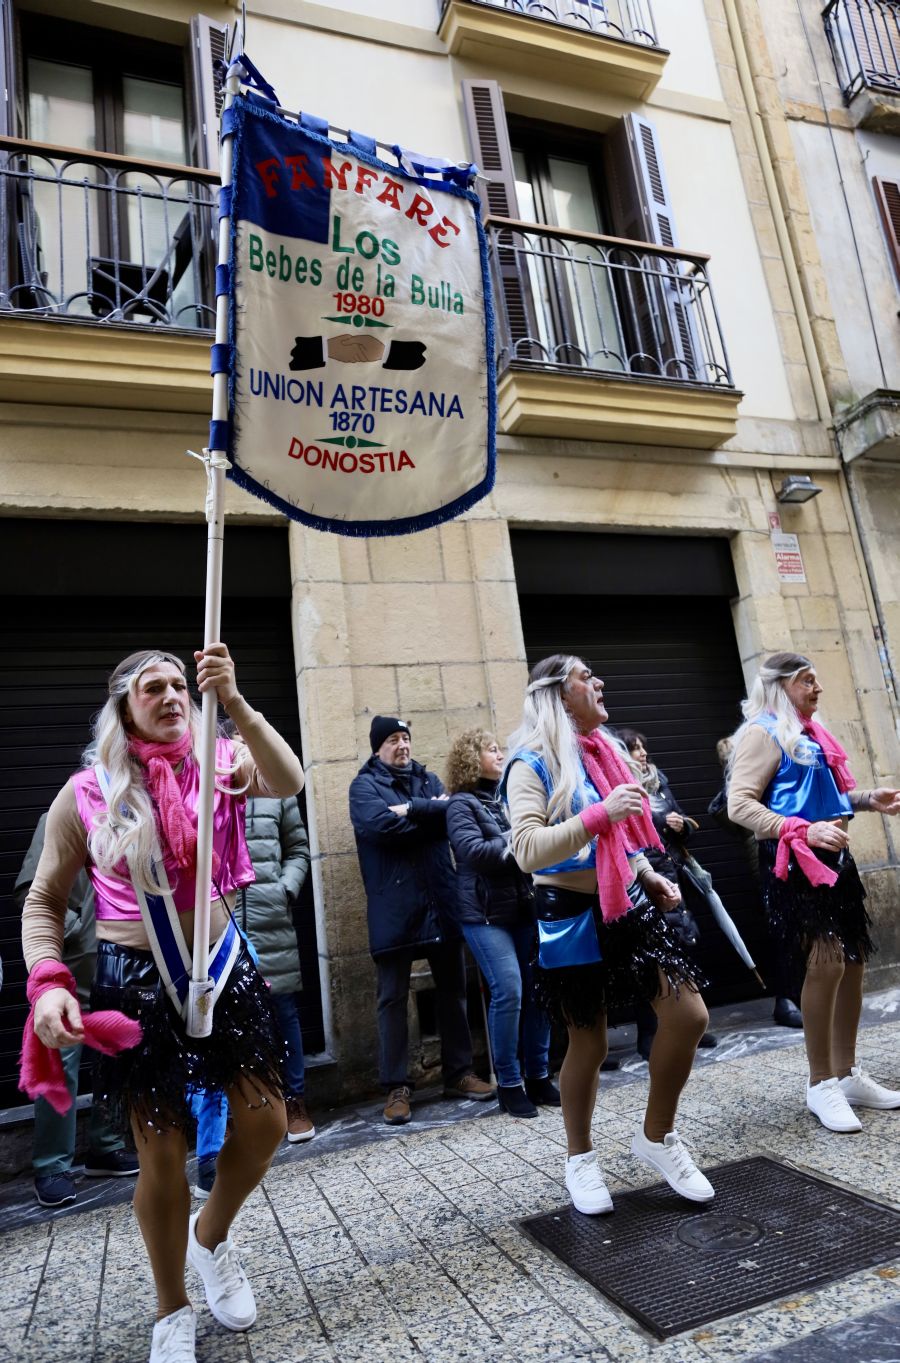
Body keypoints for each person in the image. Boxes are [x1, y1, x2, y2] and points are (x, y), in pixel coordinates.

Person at [21, 644, 304, 1363]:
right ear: (125, 706)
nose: (173, 694)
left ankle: (211, 1237)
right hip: (135, 981)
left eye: (181, 682)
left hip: (222, 967)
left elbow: (290, 778)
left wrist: (234, 701)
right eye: (155, 686)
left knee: (267, 1121)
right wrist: (50, 980)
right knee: (164, 1155)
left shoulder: (222, 761)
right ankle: (171, 1306)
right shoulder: (85, 792)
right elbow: (45, 900)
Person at [505, 656, 714, 1215]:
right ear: (557, 695)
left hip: (627, 900)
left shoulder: (603, 753)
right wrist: (597, 816)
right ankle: (580, 1158)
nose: (598, 683)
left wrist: (648, 874)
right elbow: (526, 851)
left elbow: (619, 841)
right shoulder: (530, 763)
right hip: (568, 911)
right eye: (585, 676)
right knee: (589, 1041)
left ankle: (656, 1136)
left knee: (689, 1015)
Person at [727, 652, 900, 1133]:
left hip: (836, 861)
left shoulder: (812, 732)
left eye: (816, 679)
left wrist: (868, 800)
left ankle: (847, 1074)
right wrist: (797, 830)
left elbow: (822, 796)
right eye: (807, 681)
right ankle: (820, 1083)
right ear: (781, 687)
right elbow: (740, 806)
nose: (818, 688)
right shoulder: (762, 733)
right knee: (825, 962)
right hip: (794, 866)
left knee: (855, 959)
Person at [349, 715, 495, 1125]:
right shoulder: (363, 787)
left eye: (406, 738)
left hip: (441, 900)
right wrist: (431, 818)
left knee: (453, 991)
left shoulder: (427, 780)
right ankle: (396, 1087)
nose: (403, 746)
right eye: (394, 739)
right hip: (394, 907)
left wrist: (416, 810)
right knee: (391, 999)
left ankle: (459, 1073)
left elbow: (452, 820)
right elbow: (381, 828)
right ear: (378, 747)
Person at [14, 813, 138, 1207]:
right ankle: (52, 1165)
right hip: (73, 968)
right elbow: (31, 889)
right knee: (59, 1066)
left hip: (123, 966)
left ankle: (106, 1146)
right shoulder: (59, 815)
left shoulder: (136, 819)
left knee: (117, 1060)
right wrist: (75, 928)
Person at [445, 728, 557, 1119]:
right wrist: (519, 837)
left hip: (524, 908)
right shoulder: (460, 805)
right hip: (484, 914)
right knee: (508, 990)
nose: (500, 754)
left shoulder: (508, 798)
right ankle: (510, 1083)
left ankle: (539, 1075)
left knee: (539, 988)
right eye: (492, 749)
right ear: (471, 758)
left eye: (500, 749)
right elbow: (473, 853)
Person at [617, 731, 718, 1060]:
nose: (642, 753)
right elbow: (631, 830)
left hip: (671, 872)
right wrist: (663, 822)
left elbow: (685, 821)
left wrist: (681, 826)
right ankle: (649, 1032)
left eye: (644, 747)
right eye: (635, 748)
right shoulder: (621, 789)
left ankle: (690, 1025)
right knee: (648, 957)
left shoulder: (659, 783)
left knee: (681, 945)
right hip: (643, 878)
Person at [712, 735, 802, 1029]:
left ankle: (803, 995)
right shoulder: (737, 796)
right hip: (770, 866)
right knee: (783, 933)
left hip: (798, 858)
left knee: (802, 932)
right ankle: (786, 999)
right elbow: (726, 813)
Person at [240, 795, 314, 1145]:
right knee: (233, 1020)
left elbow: (299, 848)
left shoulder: (277, 792)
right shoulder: (204, 784)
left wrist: (283, 889)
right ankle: (249, 1110)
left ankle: (294, 1102)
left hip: (271, 917)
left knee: (283, 1010)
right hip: (222, 923)